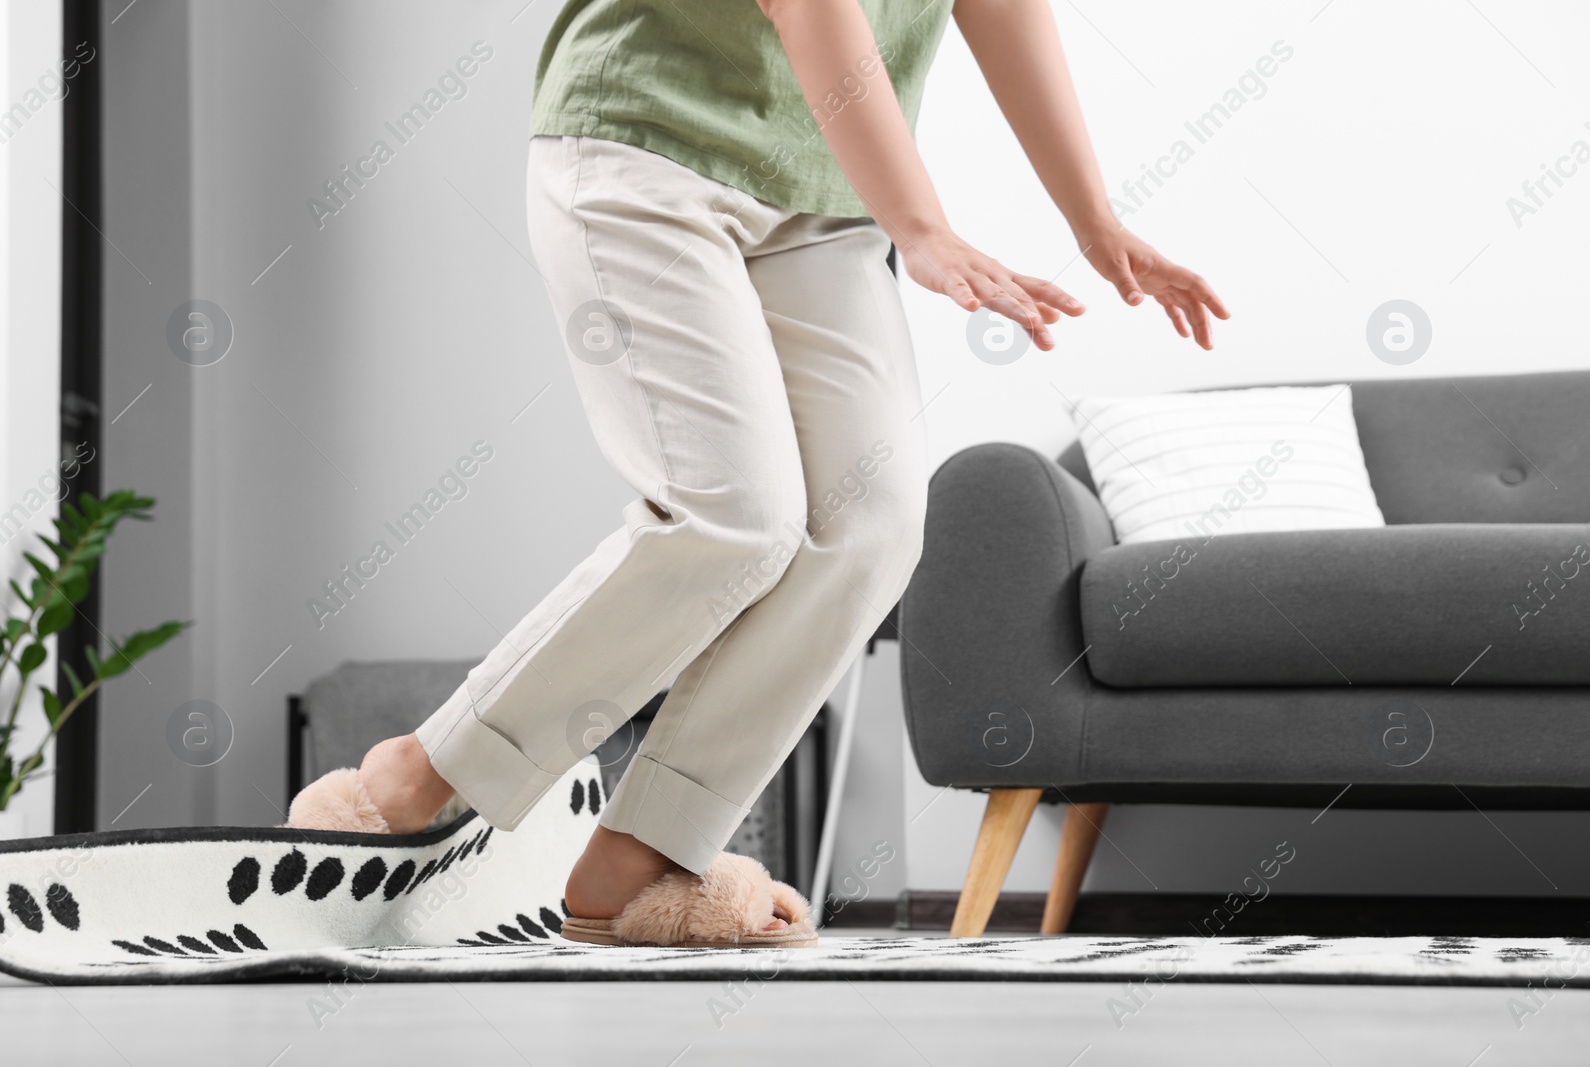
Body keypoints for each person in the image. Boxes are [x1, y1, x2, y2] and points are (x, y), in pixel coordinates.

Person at [288, 0, 1228, 947]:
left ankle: (642, 855)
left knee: (875, 523)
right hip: (648, 144)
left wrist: (1094, 216)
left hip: (825, 197)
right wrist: (926, 228)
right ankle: (418, 773)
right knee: (734, 516)